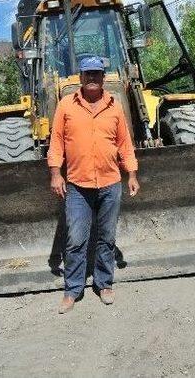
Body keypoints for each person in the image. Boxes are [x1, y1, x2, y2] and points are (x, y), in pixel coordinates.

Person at [47, 56, 140, 314]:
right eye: (87, 73)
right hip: (78, 185)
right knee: (76, 238)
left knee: (106, 237)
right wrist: (56, 174)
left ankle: (104, 284)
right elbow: (56, 143)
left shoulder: (115, 106)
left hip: (110, 183)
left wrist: (131, 174)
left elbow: (124, 144)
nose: (92, 78)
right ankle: (72, 289)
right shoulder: (66, 105)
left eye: (97, 74)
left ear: (103, 77)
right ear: (80, 77)